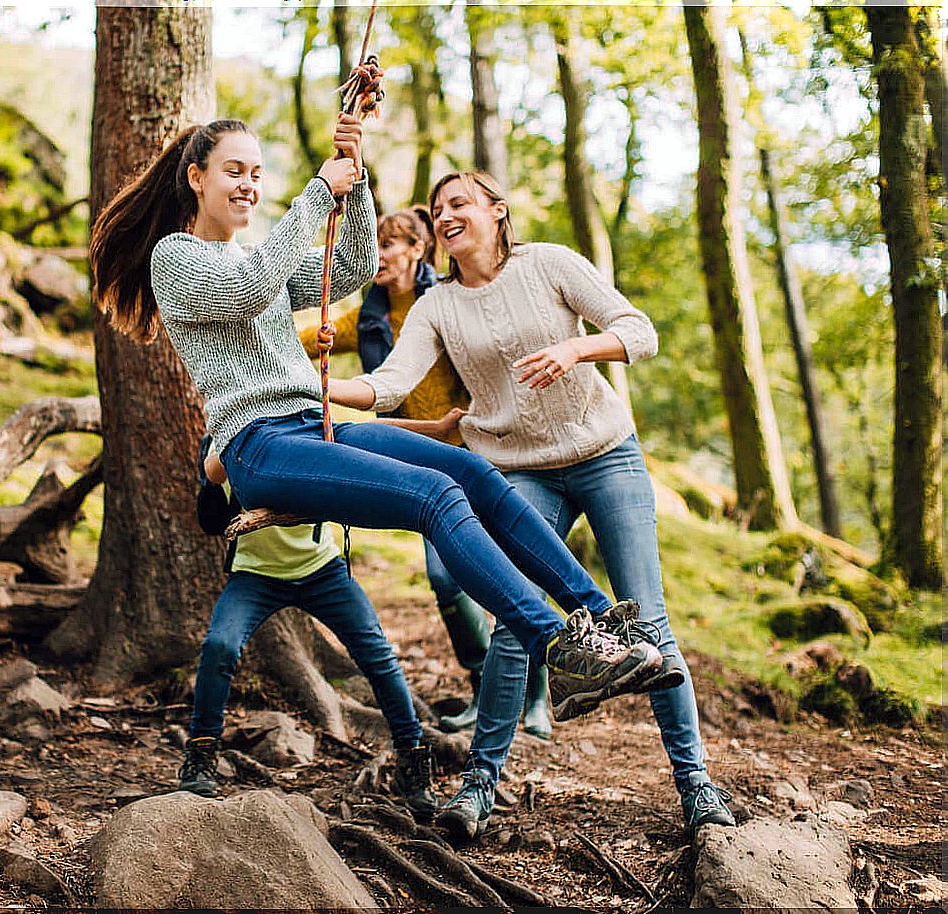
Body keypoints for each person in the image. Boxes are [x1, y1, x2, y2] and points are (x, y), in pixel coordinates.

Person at [89, 115, 663, 768]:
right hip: (261, 446)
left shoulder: (255, 257)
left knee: (471, 474)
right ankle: (557, 647)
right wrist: (316, 192)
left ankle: (600, 620)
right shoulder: (177, 258)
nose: (249, 185)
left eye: (256, 172)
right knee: (434, 494)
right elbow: (247, 296)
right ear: (195, 178)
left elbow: (353, 265)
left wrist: (352, 176)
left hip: (315, 427)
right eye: (233, 171)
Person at [328, 170, 736, 840]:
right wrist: (317, 385)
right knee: (513, 625)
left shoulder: (548, 263)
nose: (446, 214)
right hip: (517, 469)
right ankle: (477, 787)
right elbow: (389, 384)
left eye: (459, 203)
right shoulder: (437, 307)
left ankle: (695, 786)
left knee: (648, 618)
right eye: (438, 209)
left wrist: (577, 347)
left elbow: (639, 331)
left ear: (496, 210)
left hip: (605, 454)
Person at [298, 207, 551, 740]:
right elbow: (294, 345)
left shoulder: (446, 302)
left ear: (417, 249)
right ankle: (487, 683)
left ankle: (535, 695)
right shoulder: (366, 316)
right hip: (415, 457)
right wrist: (310, 339)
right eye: (373, 246)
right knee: (446, 577)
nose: (379, 256)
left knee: (507, 569)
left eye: (389, 245)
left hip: (480, 449)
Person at [178, 437, 437, 819]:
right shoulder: (221, 440)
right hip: (255, 576)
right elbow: (211, 523)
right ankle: (200, 755)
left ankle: (412, 761)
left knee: (376, 652)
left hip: (322, 571)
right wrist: (212, 478)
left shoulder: (309, 435)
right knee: (220, 645)